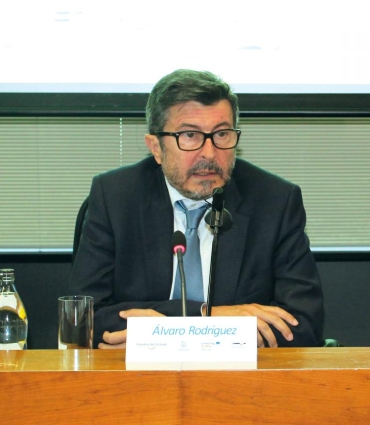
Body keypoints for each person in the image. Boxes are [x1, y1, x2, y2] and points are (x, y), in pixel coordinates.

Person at [69, 69, 323, 348]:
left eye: (222, 134)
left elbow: (303, 323)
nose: (210, 153)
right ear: (156, 147)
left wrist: (158, 328)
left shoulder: (274, 202)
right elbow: (83, 318)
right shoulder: (115, 198)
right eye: (190, 135)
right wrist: (207, 315)